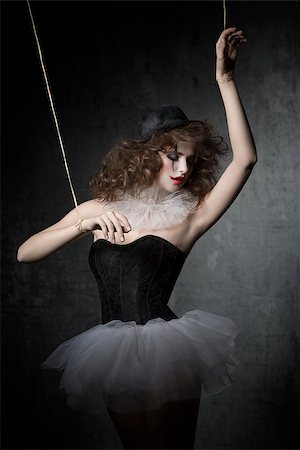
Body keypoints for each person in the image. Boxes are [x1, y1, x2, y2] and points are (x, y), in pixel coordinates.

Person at [17, 27, 257, 449]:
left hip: (167, 349)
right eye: (172, 155)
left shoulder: (191, 217)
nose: (183, 167)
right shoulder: (98, 208)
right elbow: (24, 254)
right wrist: (81, 225)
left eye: (190, 158)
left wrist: (225, 80)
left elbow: (246, 159)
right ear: (147, 155)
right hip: (111, 353)